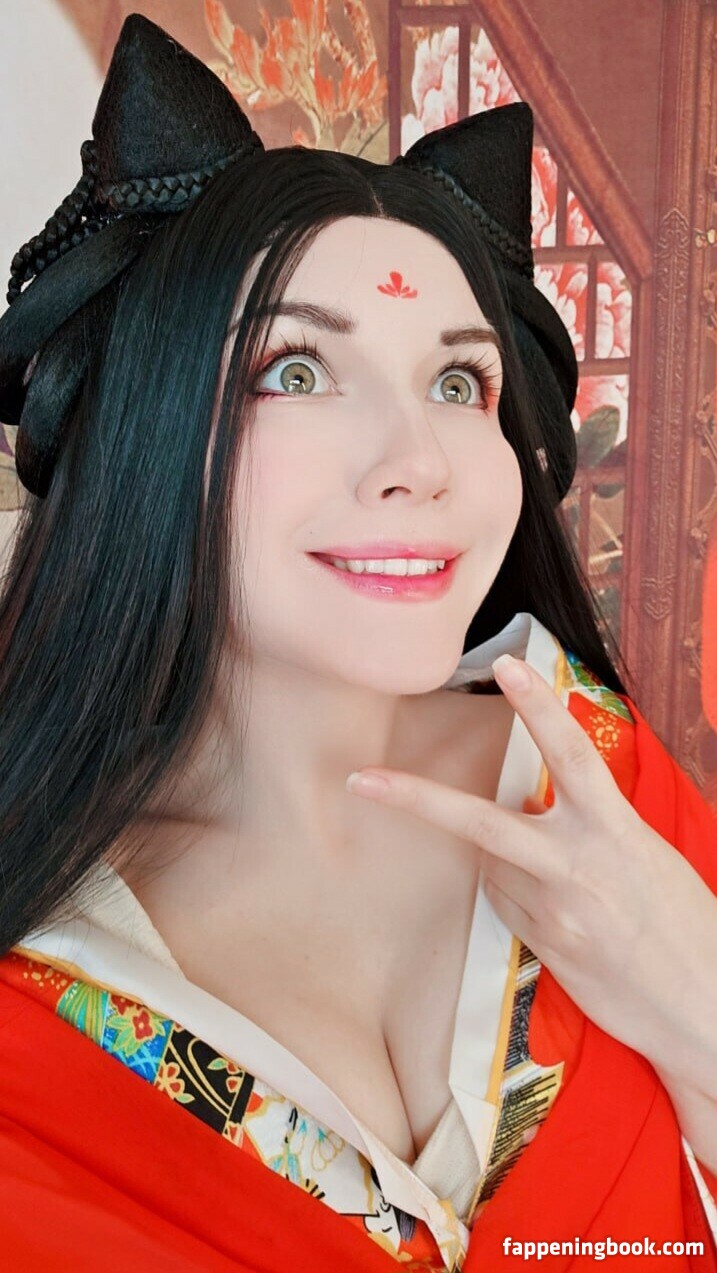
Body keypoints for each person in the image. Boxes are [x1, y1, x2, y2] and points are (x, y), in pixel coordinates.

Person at [0, 15, 714, 1272]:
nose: (419, 461)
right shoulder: (37, 968)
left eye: (459, 383)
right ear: (141, 426)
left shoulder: (604, 788)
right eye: (295, 370)